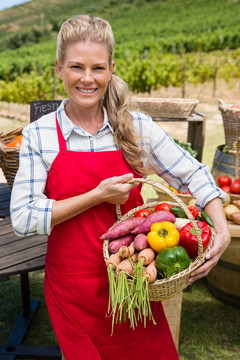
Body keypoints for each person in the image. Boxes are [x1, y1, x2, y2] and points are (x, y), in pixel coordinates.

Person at [10, 14, 230, 360]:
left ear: (111, 69)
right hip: (72, 286)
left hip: (135, 280)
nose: (87, 78)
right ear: (58, 69)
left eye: (97, 68)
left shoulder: (134, 127)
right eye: (76, 67)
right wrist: (96, 196)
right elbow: (23, 218)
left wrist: (221, 227)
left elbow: (193, 174)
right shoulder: (39, 134)